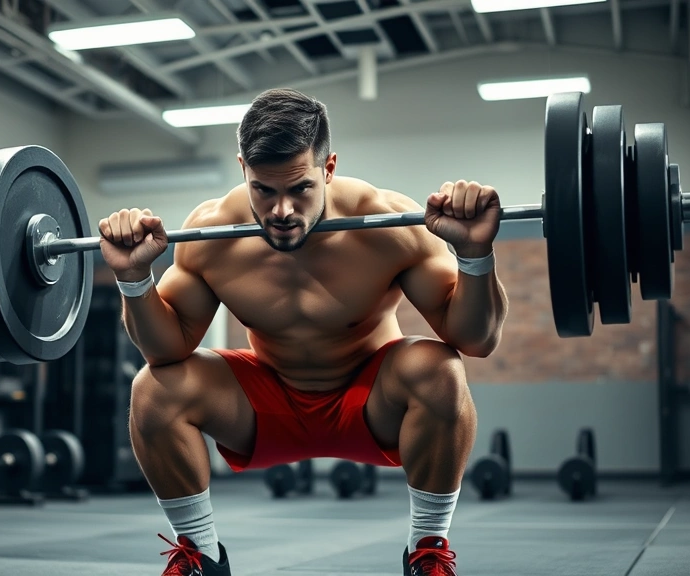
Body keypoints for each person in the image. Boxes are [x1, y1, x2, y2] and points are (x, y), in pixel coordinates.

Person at [98, 88, 508, 576]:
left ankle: (427, 552)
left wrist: (475, 256)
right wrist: (133, 278)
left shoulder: (387, 225)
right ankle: (201, 557)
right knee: (153, 387)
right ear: (244, 170)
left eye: (300, 189)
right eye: (264, 191)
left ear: (328, 167)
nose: (282, 211)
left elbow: (476, 341)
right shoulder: (211, 235)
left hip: (371, 403)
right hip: (268, 406)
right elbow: (166, 350)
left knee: (439, 367)